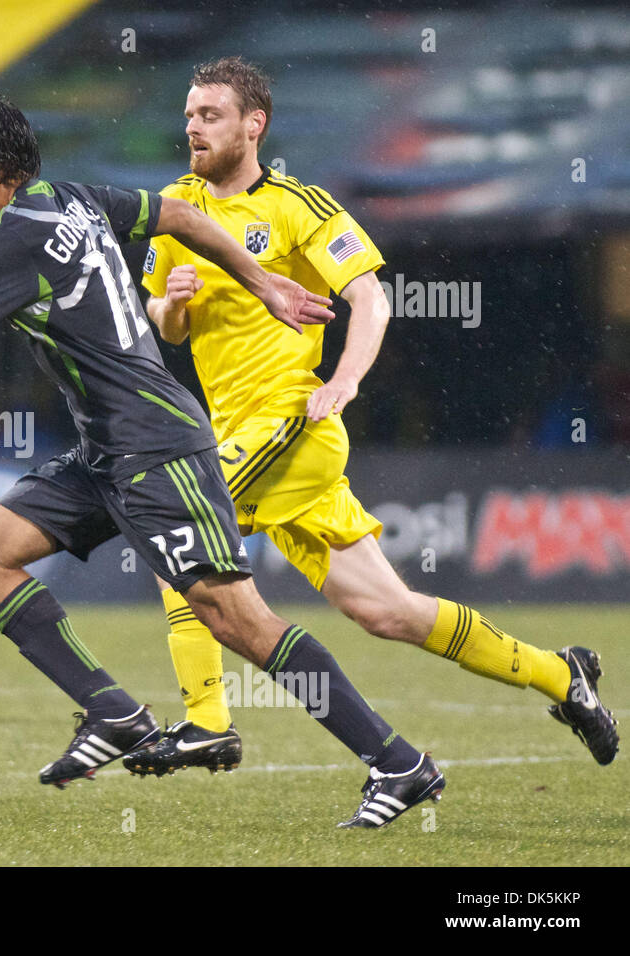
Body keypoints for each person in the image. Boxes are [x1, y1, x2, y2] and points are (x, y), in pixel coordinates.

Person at [0, 94, 445, 828]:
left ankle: (396, 762)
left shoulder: (7, 240)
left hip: (156, 447)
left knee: (237, 620)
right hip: (105, 451)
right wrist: (262, 280)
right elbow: (182, 216)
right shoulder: (76, 199)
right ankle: (114, 712)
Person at [122, 57, 617, 779]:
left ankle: (206, 722)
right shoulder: (176, 208)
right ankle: (561, 676)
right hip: (235, 434)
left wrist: (346, 379)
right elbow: (163, 325)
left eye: (210, 115)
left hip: (293, 418)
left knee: (179, 528)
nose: (192, 127)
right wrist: (174, 304)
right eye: (190, 114)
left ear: (253, 125)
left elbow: (371, 298)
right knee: (391, 613)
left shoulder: (299, 206)